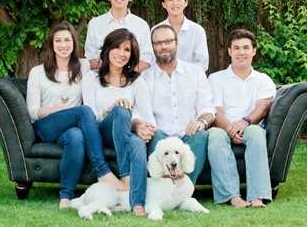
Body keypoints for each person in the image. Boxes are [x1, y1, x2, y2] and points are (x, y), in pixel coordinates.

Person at [26, 21, 125, 210]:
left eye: (67, 40)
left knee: (76, 136)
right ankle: (102, 170)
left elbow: (113, 60)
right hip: (46, 127)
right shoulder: (37, 72)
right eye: (58, 41)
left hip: (72, 129)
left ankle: (66, 196)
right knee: (84, 111)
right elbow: (32, 111)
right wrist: (63, 111)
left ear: (74, 44)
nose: (63, 45)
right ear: (52, 44)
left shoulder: (85, 67)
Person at [82, 28, 156, 216]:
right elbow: (89, 116)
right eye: (117, 48)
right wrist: (112, 110)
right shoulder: (91, 78)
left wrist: (141, 126)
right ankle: (125, 175)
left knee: (138, 144)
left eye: (127, 50)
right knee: (122, 109)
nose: (121, 54)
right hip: (101, 133)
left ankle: (137, 203)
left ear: (132, 55)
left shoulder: (137, 81)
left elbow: (149, 118)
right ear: (108, 50)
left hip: (126, 133)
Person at [207, 29, 276, 208]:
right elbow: (216, 112)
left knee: (255, 132)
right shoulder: (216, 79)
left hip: (250, 126)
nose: (241, 52)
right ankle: (232, 196)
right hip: (223, 128)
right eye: (236, 48)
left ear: (254, 51)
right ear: (229, 51)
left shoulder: (263, 80)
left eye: (246, 47)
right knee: (214, 135)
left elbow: (262, 108)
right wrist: (231, 128)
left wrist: (244, 122)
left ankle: (257, 196)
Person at [143, 24, 216, 184]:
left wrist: (201, 121)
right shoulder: (145, 77)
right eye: (158, 43)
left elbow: (208, 107)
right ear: (153, 47)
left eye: (168, 41)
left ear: (177, 43)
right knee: (156, 136)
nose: (163, 46)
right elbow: (139, 111)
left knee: (201, 135)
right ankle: (164, 188)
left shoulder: (195, 72)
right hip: (160, 135)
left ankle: (184, 190)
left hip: (189, 135)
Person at [85, 0, 154, 72]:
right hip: (102, 79)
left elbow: (147, 58)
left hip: (132, 80)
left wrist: (126, 75)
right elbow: (91, 58)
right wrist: (111, 75)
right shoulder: (95, 24)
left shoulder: (141, 25)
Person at [152, 0, 209, 72]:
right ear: (163, 4)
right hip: (163, 79)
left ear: (186, 2)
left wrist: (185, 75)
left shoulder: (197, 30)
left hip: (190, 80)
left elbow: (202, 63)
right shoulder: (156, 30)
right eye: (170, 0)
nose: (175, 3)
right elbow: (152, 60)